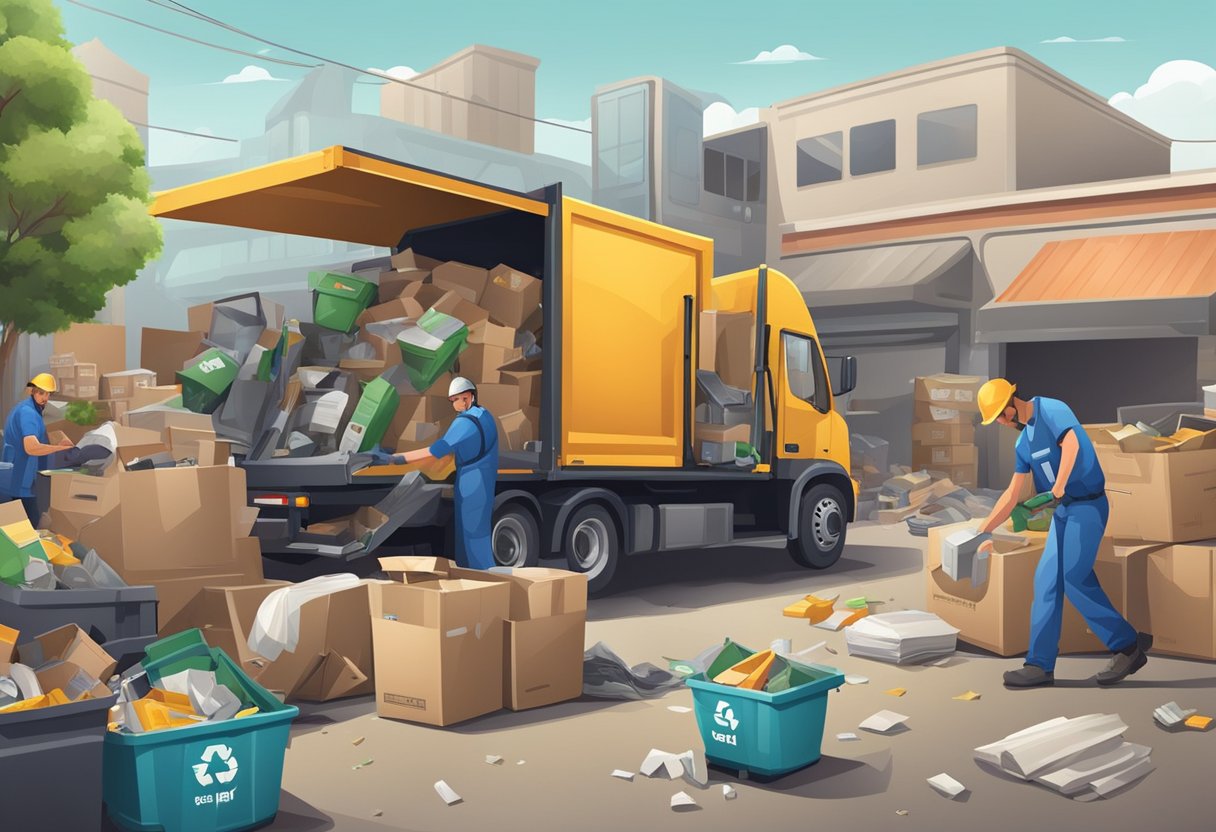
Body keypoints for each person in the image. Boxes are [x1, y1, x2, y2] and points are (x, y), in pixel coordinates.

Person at [974, 378, 1149, 688]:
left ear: (1013, 401)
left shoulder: (1051, 408)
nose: (1001, 422)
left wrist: (1058, 485)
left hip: (1088, 506)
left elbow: (1071, 444)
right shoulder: (1022, 443)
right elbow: (1013, 493)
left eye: (1001, 414)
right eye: (997, 419)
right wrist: (982, 530)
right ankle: (1039, 665)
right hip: (1064, 511)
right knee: (1046, 580)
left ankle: (1128, 646)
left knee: (1074, 577)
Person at [389, 377, 499, 570]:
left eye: (456, 399)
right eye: (452, 400)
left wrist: (398, 458)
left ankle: (484, 580)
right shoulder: (484, 415)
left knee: (472, 535)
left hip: (471, 481)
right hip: (485, 476)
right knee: (475, 532)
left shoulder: (465, 423)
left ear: (468, 397)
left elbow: (435, 451)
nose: (454, 404)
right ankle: (471, 577)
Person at [1, 374, 74, 525]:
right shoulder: (29, 413)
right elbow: (31, 447)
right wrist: (58, 449)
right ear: (32, 392)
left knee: (23, 525)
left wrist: (57, 440)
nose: (45, 398)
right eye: (41, 393)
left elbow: (37, 435)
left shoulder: (26, 408)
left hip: (19, 476)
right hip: (21, 479)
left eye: (48, 394)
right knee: (29, 526)